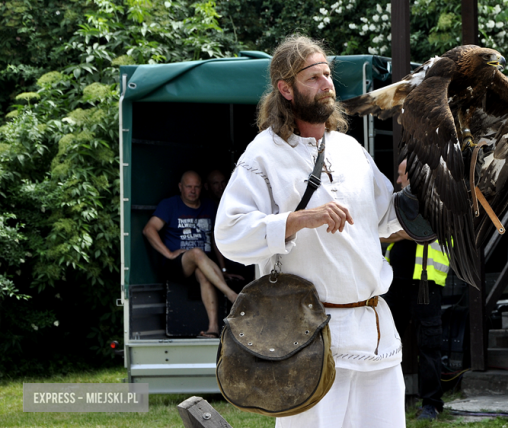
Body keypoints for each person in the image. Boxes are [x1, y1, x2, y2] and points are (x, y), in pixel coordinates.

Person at [215, 35, 408, 428]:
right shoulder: (263, 154)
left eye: (327, 74)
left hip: (376, 335)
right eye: (313, 77)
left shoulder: (351, 149)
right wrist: (300, 219)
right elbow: (229, 233)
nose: (326, 84)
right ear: (285, 89)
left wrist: (432, 199)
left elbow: (387, 217)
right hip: (308, 338)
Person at [383, 159, 449, 421]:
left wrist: (400, 229)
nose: (398, 181)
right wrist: (405, 229)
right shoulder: (400, 201)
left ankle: (431, 405)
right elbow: (381, 233)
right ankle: (387, 402)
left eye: (401, 175)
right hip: (394, 281)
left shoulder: (440, 200)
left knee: (429, 346)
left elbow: (425, 230)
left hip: (426, 284)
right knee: (386, 344)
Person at [143, 170, 238, 338]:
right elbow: (149, 229)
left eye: (197, 187)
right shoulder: (169, 205)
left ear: (202, 188)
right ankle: (231, 294)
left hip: (204, 264)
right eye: (189, 187)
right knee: (196, 253)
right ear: (180, 187)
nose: (193, 191)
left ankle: (213, 328)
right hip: (176, 265)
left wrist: (223, 270)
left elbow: (216, 240)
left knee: (203, 273)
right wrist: (170, 254)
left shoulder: (210, 206)